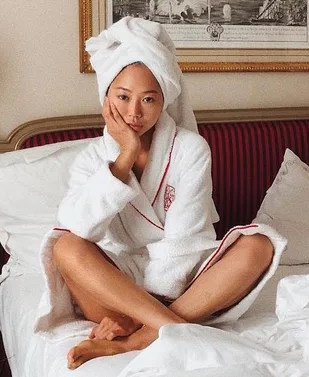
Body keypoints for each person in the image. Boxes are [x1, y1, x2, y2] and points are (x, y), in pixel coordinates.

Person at [34, 16, 287, 370]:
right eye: (123, 97)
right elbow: (79, 225)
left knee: (260, 244)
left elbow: (186, 238)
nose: (134, 113)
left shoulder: (190, 149)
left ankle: (140, 337)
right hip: (115, 287)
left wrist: (144, 315)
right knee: (65, 245)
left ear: (164, 99)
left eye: (149, 99)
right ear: (106, 97)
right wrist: (122, 159)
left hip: (181, 280)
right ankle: (173, 327)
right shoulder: (92, 158)